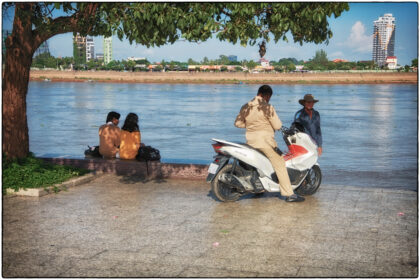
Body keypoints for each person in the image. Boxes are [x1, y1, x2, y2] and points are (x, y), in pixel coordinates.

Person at [234, 85, 305, 202]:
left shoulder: (246, 106)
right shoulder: (267, 107)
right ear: (266, 95)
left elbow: (238, 123)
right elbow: (277, 126)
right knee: (280, 163)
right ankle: (289, 194)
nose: (269, 99)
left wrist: (251, 125)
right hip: (265, 143)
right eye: (269, 97)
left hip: (250, 142)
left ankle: (259, 188)